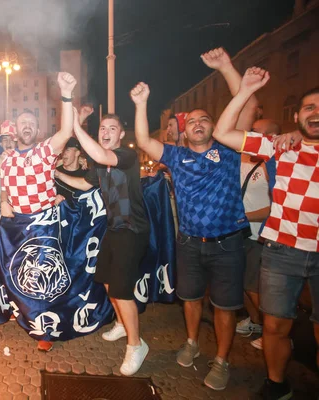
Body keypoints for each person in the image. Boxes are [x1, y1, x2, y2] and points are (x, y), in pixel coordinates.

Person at [130, 48, 259, 391]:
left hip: (228, 243)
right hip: (188, 242)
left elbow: (248, 107)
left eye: (205, 119)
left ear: (215, 127)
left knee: (225, 306)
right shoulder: (176, 155)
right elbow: (143, 140)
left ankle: (222, 360)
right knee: (190, 299)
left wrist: (227, 67)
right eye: (192, 122)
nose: (198, 123)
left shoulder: (228, 150)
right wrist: (142, 103)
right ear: (184, 133)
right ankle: (191, 342)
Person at [212, 67, 318, 400]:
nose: (315, 112)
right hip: (281, 250)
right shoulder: (278, 147)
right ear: (298, 115)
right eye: (310, 107)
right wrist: (243, 91)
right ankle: (276, 384)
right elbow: (223, 132)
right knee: (274, 326)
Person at [55, 109, 151, 376]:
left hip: (133, 230)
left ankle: (136, 344)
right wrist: (58, 175)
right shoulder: (100, 165)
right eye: (102, 129)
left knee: (121, 289)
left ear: (121, 134)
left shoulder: (126, 157)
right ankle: (122, 323)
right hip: (114, 229)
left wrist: (75, 124)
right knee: (107, 280)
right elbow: (85, 186)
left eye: (111, 128)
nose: (106, 132)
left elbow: (99, 154)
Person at [0, 72, 76, 352]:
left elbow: (66, 131)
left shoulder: (46, 151)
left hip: (44, 224)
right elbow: (4, 187)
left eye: (32, 123)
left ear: (37, 129)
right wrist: (3, 200)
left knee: (43, 275)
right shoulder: (7, 160)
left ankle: (46, 330)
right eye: (23, 123)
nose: (27, 127)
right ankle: (21, 314)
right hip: (18, 225)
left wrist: (66, 94)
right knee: (18, 271)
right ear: (16, 130)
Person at [235, 119, 280, 350]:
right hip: (241, 234)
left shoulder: (273, 165)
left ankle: (275, 334)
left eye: (257, 132)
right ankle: (256, 322)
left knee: (254, 287)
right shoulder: (242, 160)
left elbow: (277, 207)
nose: (250, 135)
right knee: (243, 284)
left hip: (259, 236)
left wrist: (245, 217)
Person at [54, 137, 88, 207]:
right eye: (62, 150)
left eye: (67, 150)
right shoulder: (54, 173)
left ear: (77, 153)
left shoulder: (87, 174)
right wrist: (52, 199)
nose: (63, 153)